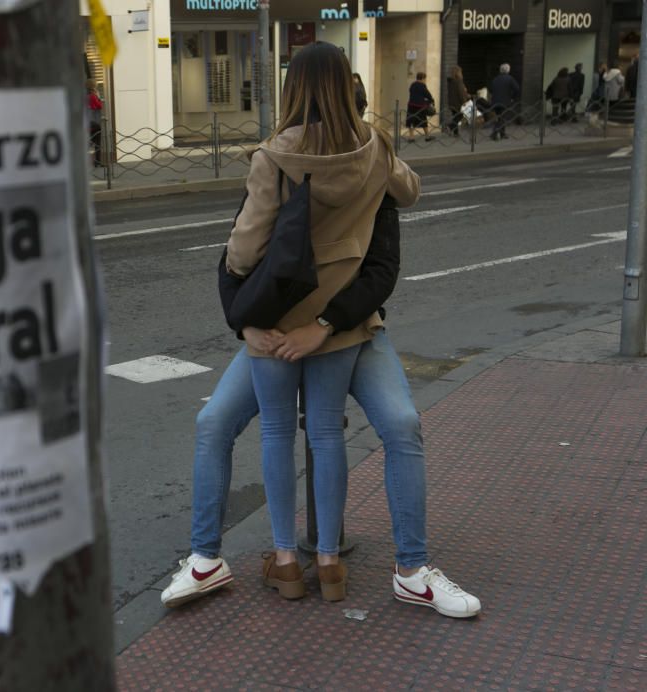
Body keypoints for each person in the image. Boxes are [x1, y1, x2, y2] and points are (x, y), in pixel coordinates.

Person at [166, 42, 481, 617]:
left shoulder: (274, 156)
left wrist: (252, 318)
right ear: (349, 87)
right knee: (226, 424)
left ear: (291, 90)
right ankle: (229, 559)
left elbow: (242, 250)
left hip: (317, 327)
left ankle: (387, 566)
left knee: (355, 428)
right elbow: (411, 193)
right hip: (328, 328)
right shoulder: (377, 152)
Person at [489, 63, 520, 141]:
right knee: (502, 118)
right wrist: (512, 97)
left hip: (495, 101)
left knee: (499, 117)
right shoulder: (510, 79)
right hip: (505, 101)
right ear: (508, 70)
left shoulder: (495, 79)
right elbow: (517, 89)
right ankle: (495, 133)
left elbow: (490, 89)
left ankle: (502, 133)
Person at [405, 72, 435, 142]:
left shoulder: (412, 84)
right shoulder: (422, 85)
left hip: (411, 105)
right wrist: (432, 101)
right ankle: (427, 136)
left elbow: (411, 92)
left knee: (411, 121)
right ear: (423, 78)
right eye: (425, 79)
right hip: (420, 106)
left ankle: (411, 137)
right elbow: (428, 95)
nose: (425, 80)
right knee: (423, 121)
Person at [446, 66, 469, 137]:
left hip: (452, 102)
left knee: (455, 116)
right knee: (460, 116)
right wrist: (464, 101)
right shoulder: (458, 81)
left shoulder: (451, 81)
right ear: (458, 73)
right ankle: (450, 126)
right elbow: (461, 92)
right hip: (458, 103)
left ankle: (456, 133)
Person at [86, 79, 104, 167]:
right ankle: (97, 162)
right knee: (97, 143)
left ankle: (88, 162)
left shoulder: (84, 95)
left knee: (88, 142)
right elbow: (99, 106)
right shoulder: (93, 96)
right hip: (95, 123)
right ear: (93, 86)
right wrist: (99, 97)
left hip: (87, 122)